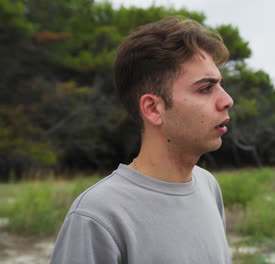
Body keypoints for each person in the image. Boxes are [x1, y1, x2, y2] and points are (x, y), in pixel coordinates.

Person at [50, 16, 234, 264]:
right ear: (153, 108)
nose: (227, 100)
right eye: (205, 88)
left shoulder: (208, 186)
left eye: (221, 85)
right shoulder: (97, 216)